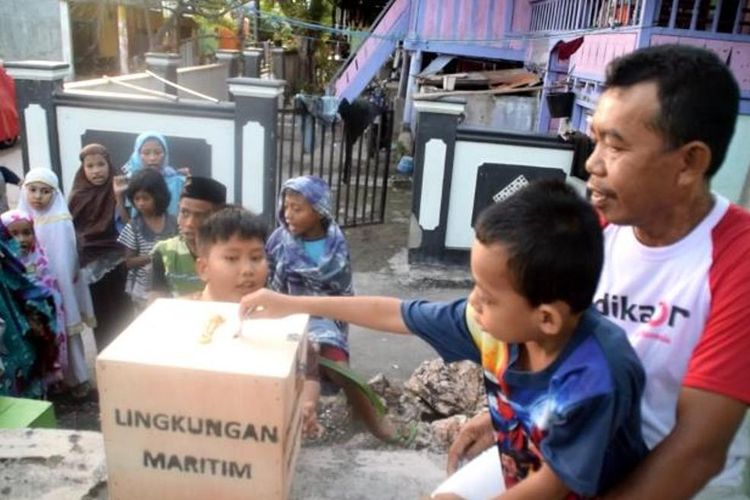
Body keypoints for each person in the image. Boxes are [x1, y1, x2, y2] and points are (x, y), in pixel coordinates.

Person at [454, 44, 750, 500]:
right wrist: (508, 419)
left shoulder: (739, 260)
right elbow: (546, 339)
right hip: (571, 441)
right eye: (595, 138)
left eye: (616, 145)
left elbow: (697, 453)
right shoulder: (592, 231)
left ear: (689, 162)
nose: (592, 163)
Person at [241, 179, 649, 498]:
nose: (473, 302)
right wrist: (290, 302)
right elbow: (393, 312)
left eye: (487, 296)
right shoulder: (492, 323)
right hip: (524, 460)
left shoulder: (595, 377)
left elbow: (550, 485)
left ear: (545, 318)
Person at [266, 175, 401, 442]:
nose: (288, 214)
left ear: (318, 211)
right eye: (286, 206)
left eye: (297, 208)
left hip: (326, 316)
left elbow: (342, 289)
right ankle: (290, 423)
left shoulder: (336, 242)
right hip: (285, 313)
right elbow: (268, 279)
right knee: (296, 363)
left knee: (339, 364)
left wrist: (336, 319)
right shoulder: (279, 240)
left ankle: (367, 416)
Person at [18, 168, 94, 399]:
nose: (38, 197)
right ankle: (49, 383)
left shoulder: (60, 221)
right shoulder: (19, 221)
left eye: (44, 191)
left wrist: (58, 290)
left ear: (55, 194)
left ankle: (77, 379)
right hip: (31, 289)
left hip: (59, 288)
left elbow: (65, 260)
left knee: (67, 333)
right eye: (32, 190)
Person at [68, 144, 130, 351]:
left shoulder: (119, 187)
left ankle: (127, 357)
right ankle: (105, 358)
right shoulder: (78, 195)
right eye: (90, 166)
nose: (96, 170)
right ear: (83, 169)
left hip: (120, 258)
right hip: (92, 263)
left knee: (123, 312)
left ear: (109, 164)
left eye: (101, 164)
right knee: (101, 314)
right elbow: (71, 229)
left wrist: (119, 196)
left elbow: (130, 223)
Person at [1, 209, 66, 395]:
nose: (21, 239)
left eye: (26, 233)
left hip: (36, 320)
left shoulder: (40, 259)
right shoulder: (7, 263)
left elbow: (49, 292)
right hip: (14, 319)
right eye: (14, 234)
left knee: (39, 352)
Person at [150, 176, 227, 299]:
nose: (190, 223)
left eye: (201, 216)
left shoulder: (234, 252)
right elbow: (156, 306)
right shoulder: (164, 252)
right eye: (184, 213)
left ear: (219, 216)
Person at [117, 169, 178, 312]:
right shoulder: (134, 226)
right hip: (143, 291)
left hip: (170, 285)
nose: (141, 203)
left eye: (145, 198)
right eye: (137, 199)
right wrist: (155, 256)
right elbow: (129, 262)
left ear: (159, 196)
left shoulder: (174, 223)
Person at [194, 205, 268, 303]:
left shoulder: (280, 316)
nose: (247, 270)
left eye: (256, 258)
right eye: (232, 258)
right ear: (203, 269)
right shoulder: (180, 314)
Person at [122, 131, 186, 217]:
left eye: (158, 152)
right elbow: (128, 221)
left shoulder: (178, 182)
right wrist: (118, 196)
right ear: (137, 155)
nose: (152, 158)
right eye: (146, 153)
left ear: (165, 154)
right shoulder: (131, 181)